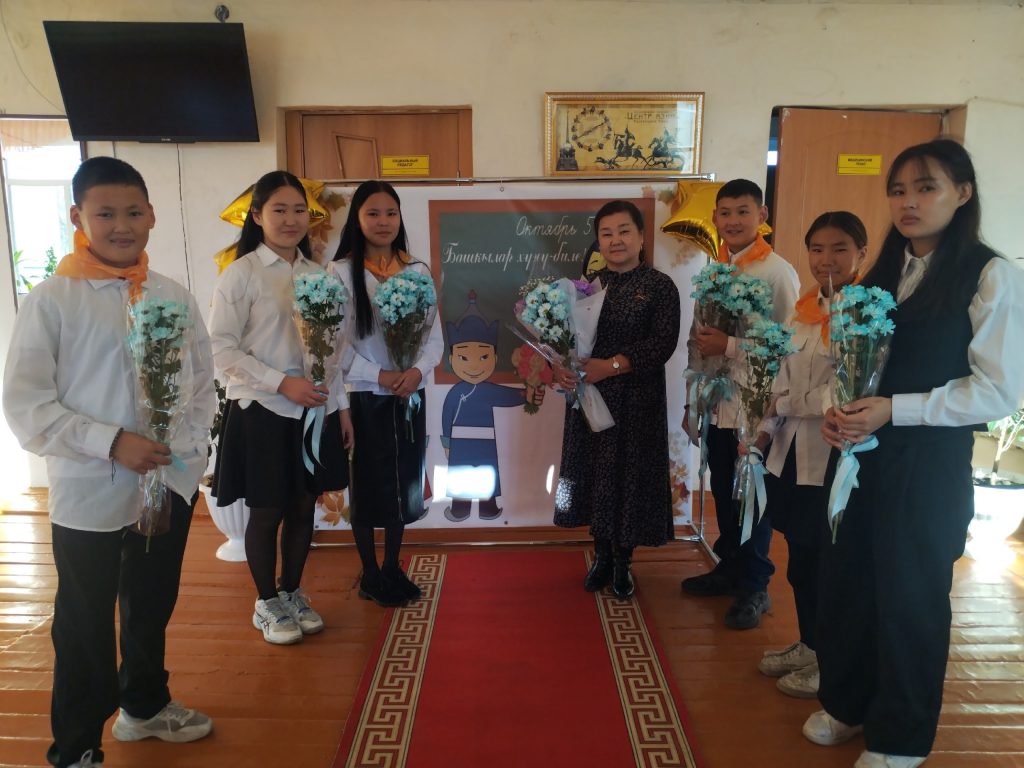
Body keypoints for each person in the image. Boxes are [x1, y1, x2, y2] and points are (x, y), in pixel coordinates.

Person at [803, 139, 1024, 768]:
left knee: (911, 597)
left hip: (926, 466)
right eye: (898, 190)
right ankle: (847, 702)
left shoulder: (990, 275)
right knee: (847, 582)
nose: (909, 202)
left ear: (963, 193)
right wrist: (838, 412)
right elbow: (848, 364)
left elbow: (998, 391)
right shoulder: (881, 274)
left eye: (926, 188)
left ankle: (900, 736)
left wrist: (895, 410)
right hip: (861, 457)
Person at [3, 157, 214, 768]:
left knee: (150, 604)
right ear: (78, 218)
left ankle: (143, 707)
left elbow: (202, 384)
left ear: (151, 215)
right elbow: (26, 404)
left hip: (166, 483)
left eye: (133, 212)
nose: (122, 225)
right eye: (105, 213)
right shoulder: (53, 299)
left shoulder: (173, 295)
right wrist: (111, 441)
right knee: (83, 620)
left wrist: (184, 454)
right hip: (90, 487)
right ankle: (76, 746)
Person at [209, 170, 353, 646]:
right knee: (267, 510)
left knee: (302, 506)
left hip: (313, 411)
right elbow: (221, 349)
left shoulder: (318, 274)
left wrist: (340, 408)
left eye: (299, 211)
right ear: (256, 216)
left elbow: (334, 351)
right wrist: (281, 383)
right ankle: (266, 601)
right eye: (279, 210)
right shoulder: (242, 273)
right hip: (263, 409)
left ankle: (292, 592)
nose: (291, 220)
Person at [750, 212, 868, 698]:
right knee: (800, 557)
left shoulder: (865, 314)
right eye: (817, 249)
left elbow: (847, 390)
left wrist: (787, 405)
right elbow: (780, 378)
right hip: (791, 453)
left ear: (861, 253)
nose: (826, 259)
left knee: (830, 562)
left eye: (839, 248)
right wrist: (762, 432)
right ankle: (810, 644)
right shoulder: (802, 310)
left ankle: (833, 660)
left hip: (833, 457)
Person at [680, 179, 800, 629]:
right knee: (723, 490)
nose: (733, 221)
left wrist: (730, 345)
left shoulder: (777, 272)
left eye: (742, 212)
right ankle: (729, 568)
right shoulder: (716, 270)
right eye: (725, 212)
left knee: (751, 495)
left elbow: (788, 346)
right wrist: (693, 403)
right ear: (714, 217)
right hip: (716, 402)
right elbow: (697, 342)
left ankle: (755, 586)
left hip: (754, 405)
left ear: (761, 215)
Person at [553, 199, 681, 600]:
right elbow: (571, 341)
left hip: (636, 402)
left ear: (641, 236)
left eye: (624, 231)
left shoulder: (660, 286)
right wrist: (563, 366)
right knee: (596, 476)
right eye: (606, 234)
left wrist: (610, 366)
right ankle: (602, 557)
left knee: (628, 477)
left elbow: (662, 344)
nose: (616, 240)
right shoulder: (587, 287)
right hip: (591, 398)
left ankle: (624, 562)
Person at [330, 180, 442, 607]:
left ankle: (393, 566)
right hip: (364, 395)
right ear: (357, 219)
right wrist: (379, 375)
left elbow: (434, 337)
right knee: (366, 484)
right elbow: (336, 346)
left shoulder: (417, 271)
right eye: (373, 213)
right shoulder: (341, 273)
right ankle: (371, 573)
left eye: (390, 213)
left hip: (408, 393)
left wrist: (415, 371)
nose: (383, 222)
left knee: (404, 482)